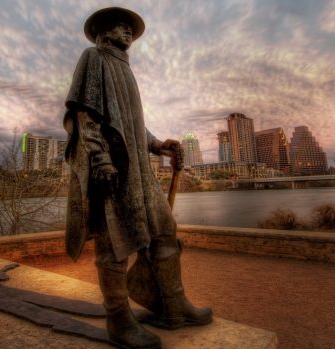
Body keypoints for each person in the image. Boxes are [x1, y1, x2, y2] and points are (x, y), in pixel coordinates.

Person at [63, 7, 212, 349]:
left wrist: (158, 144)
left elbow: (131, 124)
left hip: (140, 174)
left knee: (164, 231)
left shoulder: (126, 71)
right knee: (113, 244)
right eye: (120, 26)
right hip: (112, 170)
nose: (128, 31)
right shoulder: (93, 58)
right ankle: (118, 319)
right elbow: (84, 115)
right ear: (103, 31)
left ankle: (173, 306)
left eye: (130, 28)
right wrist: (100, 161)